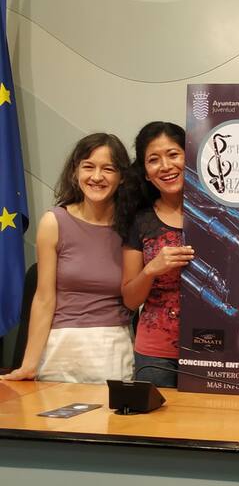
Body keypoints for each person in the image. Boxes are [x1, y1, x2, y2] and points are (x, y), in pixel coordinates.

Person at [1, 133, 135, 383]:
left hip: (112, 348)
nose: (97, 177)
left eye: (108, 169)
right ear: (75, 171)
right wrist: (28, 365)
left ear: (122, 177)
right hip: (60, 348)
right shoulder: (54, 221)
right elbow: (44, 298)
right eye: (88, 166)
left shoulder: (133, 227)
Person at [121, 121, 193, 387]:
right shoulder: (140, 220)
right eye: (153, 160)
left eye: (173, 154)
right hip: (156, 354)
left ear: (190, 157)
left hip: (215, 348)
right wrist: (151, 269)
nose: (165, 166)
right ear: (146, 173)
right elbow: (130, 300)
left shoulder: (218, 212)